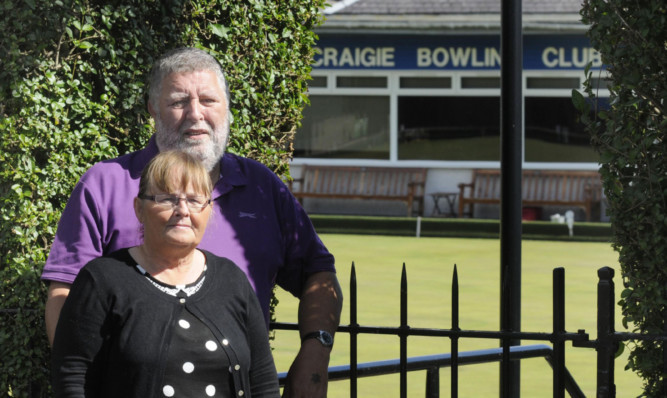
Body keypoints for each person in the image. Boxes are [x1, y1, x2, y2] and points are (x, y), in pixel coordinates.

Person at [42, 47, 342, 398]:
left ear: (227, 109)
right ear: (153, 109)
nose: (195, 114)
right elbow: (65, 293)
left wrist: (315, 355)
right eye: (178, 101)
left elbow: (318, 274)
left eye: (209, 100)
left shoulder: (263, 188)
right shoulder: (106, 184)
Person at [51, 151, 280, 397]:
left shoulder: (232, 280)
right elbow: (72, 378)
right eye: (167, 198)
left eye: (194, 200)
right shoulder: (102, 281)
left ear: (209, 210)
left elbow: (263, 382)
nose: (182, 210)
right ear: (139, 208)